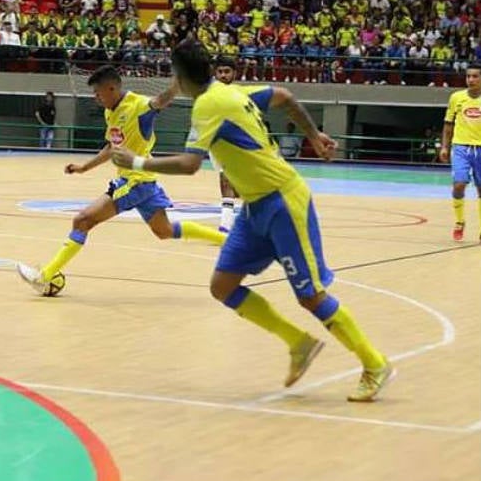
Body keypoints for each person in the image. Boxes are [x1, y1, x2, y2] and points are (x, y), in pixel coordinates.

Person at [111, 41, 394, 402]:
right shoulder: (232, 93)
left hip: (282, 201)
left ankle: (374, 363)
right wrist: (313, 134)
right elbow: (285, 96)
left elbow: (189, 164)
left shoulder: (207, 106)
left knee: (310, 296)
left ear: (178, 78)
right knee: (223, 286)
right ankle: (299, 343)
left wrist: (136, 163)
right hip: (254, 207)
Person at [16, 65, 226, 294]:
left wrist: (177, 84)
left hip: (134, 182)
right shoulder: (110, 111)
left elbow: (160, 101)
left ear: (112, 88)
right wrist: (84, 167)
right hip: (145, 182)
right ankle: (229, 241)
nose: (95, 98)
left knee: (83, 221)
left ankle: (44, 276)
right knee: (164, 231)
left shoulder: (137, 105)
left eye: (98, 93)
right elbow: (111, 147)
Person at [439, 62, 481, 241]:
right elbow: (448, 124)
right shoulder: (456, 97)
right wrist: (444, 146)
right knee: (459, 184)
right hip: (461, 146)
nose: (470, 80)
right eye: (468, 76)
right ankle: (459, 221)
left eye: (475, 76)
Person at [212, 56, 241, 232]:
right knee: (229, 182)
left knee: (229, 182)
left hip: (237, 142)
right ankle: (227, 224)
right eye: (220, 72)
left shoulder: (240, 95)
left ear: (234, 74)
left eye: (227, 71)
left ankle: (226, 224)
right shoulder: (209, 95)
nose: (223, 75)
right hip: (216, 143)